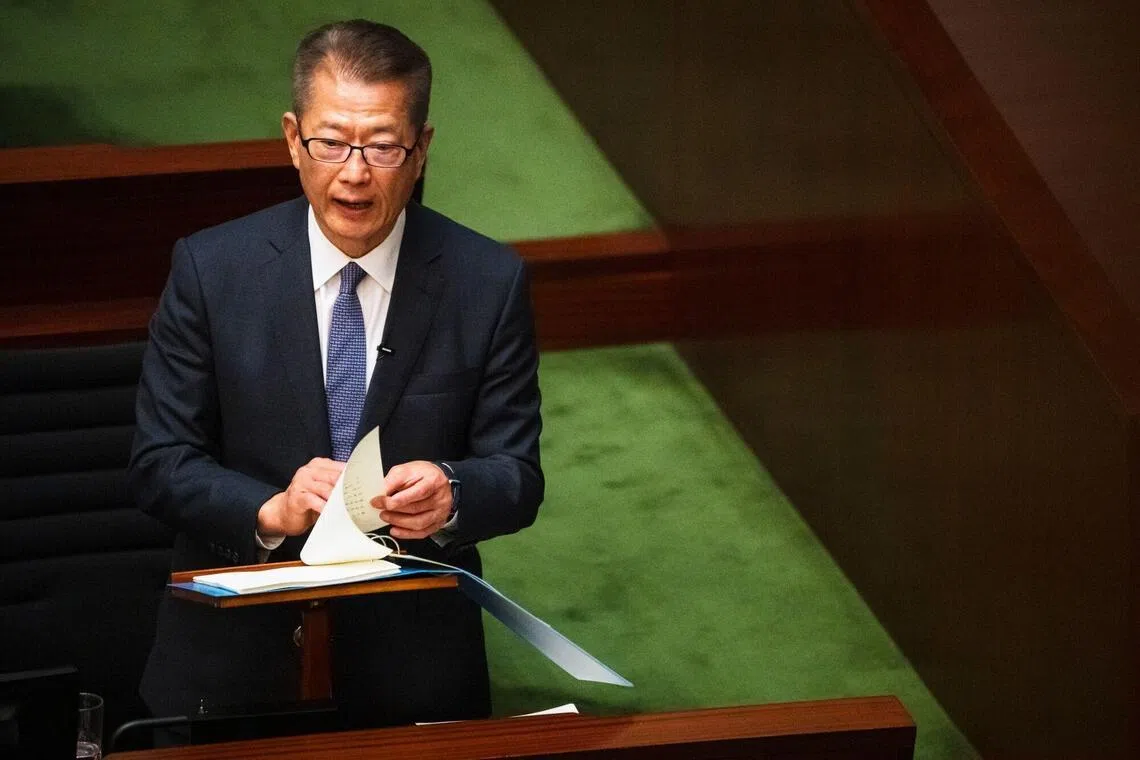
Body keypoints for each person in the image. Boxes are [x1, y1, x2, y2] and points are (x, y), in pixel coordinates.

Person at [128, 19, 543, 729]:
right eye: (330, 143)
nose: (354, 171)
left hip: (416, 668)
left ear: (421, 150)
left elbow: (517, 475)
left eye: (382, 146)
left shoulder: (487, 281)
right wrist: (271, 510)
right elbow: (159, 464)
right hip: (233, 666)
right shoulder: (211, 270)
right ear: (293, 140)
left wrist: (452, 492)